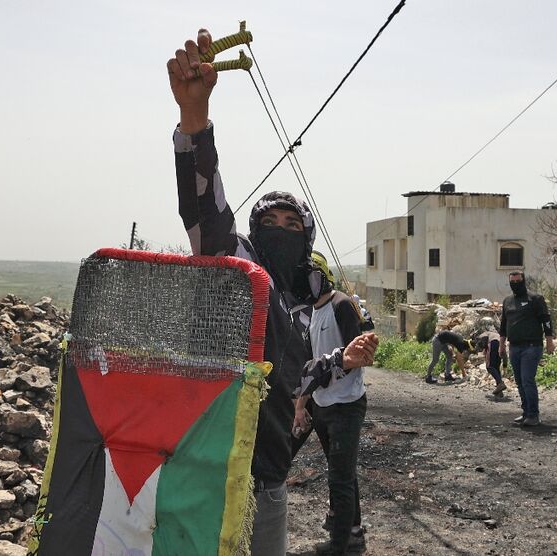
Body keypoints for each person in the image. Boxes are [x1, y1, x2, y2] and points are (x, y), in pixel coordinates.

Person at [168, 31, 377, 555]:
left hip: (268, 479)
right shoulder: (239, 270)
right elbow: (205, 211)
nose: (281, 229)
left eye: (292, 223)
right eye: (271, 221)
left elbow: (293, 380)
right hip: (210, 468)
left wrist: (342, 361)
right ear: (255, 233)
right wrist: (196, 117)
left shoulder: (297, 306)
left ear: (306, 239)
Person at [294, 251, 371, 555]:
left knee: (339, 477)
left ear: (323, 276)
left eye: (312, 276)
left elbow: (359, 355)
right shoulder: (311, 312)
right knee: (343, 471)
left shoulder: (342, 305)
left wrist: (330, 370)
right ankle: (352, 528)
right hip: (323, 404)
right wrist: (302, 405)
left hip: (346, 405)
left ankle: (340, 545)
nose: (307, 283)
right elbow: (307, 366)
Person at [498, 271, 555, 426]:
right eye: (512, 282)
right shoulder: (507, 301)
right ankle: (525, 412)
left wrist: (549, 341)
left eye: (518, 281)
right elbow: (504, 325)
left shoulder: (535, 299)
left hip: (532, 346)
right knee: (519, 381)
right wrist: (501, 344)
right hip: (514, 347)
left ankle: (533, 414)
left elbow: (546, 320)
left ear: (523, 281)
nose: (515, 284)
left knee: (527, 379)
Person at [475, 329, 508, 397]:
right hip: (501, 345)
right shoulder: (497, 336)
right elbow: (505, 355)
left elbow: (483, 341)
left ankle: (500, 384)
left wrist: (485, 349)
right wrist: (505, 365)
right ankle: (499, 391)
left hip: (493, 343)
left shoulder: (484, 334)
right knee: (496, 367)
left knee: (489, 366)